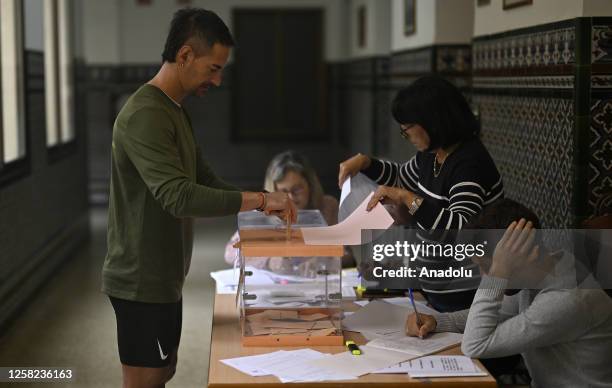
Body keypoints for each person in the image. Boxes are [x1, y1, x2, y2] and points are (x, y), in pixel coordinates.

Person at [102, 9, 296, 388]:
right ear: (185, 54)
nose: (218, 80)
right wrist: (258, 200)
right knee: (145, 380)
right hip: (140, 279)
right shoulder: (145, 114)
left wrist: (264, 201)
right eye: (213, 68)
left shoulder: (174, 111)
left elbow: (204, 179)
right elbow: (177, 196)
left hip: (163, 275)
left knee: (165, 371)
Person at [338, 75, 504, 312]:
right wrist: (365, 163)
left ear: (433, 122)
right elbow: (400, 177)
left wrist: (407, 198)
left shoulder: (469, 164)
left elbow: (459, 231)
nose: (406, 137)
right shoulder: (432, 154)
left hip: (465, 298)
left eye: (407, 130)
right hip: (434, 294)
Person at [405, 199, 612, 387]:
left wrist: (498, 273)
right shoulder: (546, 269)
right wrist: (437, 322)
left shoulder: (567, 299)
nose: (484, 275)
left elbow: (476, 345)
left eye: (488, 267)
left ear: (524, 253)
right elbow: (498, 315)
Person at [225, 150, 355, 271]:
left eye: (297, 189)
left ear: (310, 185)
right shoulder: (261, 212)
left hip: (315, 282)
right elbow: (231, 252)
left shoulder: (328, 206)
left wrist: (324, 260)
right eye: (284, 191)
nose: (291, 197)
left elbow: (349, 253)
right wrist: (269, 261)